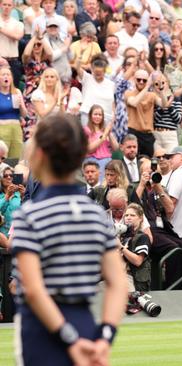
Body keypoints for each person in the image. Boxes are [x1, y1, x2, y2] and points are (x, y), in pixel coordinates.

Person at [12, 113, 127, 366]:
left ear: (39, 155)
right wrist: (105, 337)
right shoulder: (95, 214)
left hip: (42, 331)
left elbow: (32, 289)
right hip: (85, 324)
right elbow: (118, 283)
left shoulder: (30, 215)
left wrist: (70, 340)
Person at [118, 203, 152, 293]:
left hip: (132, 279)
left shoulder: (143, 237)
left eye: (132, 215)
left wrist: (121, 248)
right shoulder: (121, 236)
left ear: (140, 218)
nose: (128, 218)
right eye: (126, 215)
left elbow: (138, 261)